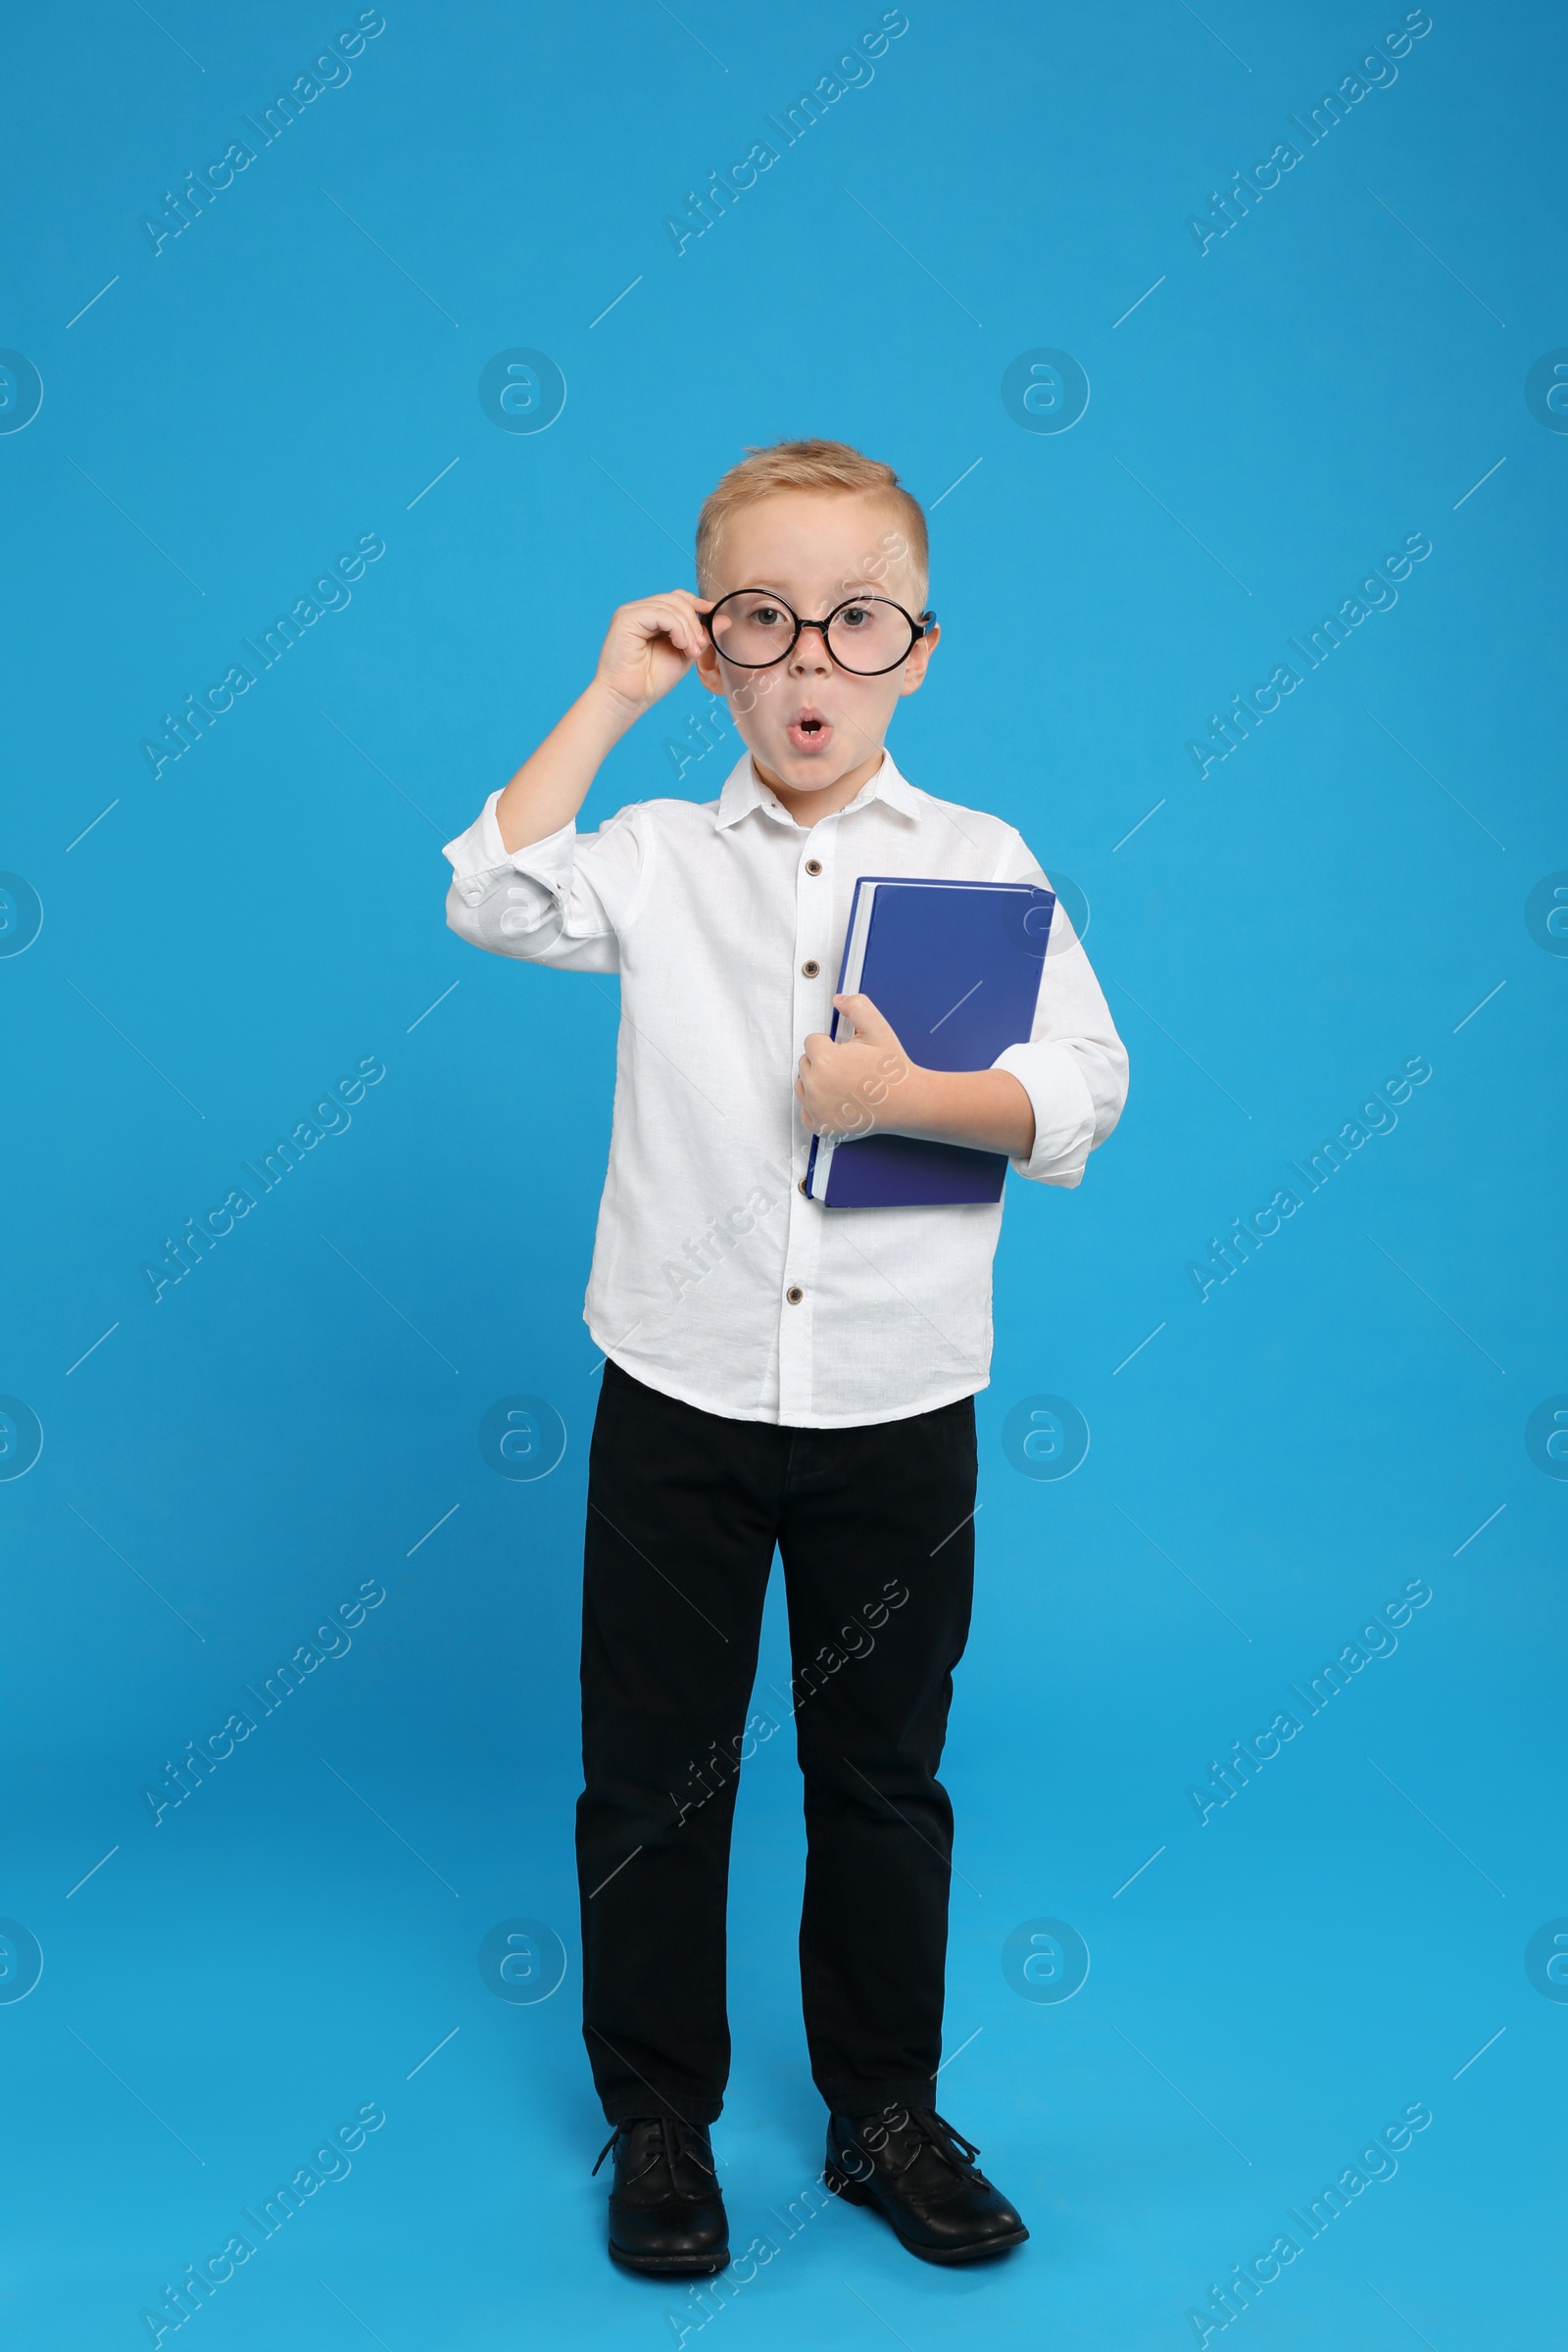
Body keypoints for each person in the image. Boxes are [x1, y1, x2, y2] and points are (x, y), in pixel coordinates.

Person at [442, 438, 1128, 2274]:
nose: (812, 661)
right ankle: (659, 2119)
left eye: (857, 623)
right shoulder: (659, 859)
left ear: (918, 651)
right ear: (715, 651)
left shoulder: (983, 867)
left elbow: (1083, 1089)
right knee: (654, 1770)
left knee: (882, 1776)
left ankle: (882, 2116)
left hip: (898, 1404)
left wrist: (912, 1097)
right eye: (765, 622)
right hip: (674, 1391)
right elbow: (494, 893)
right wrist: (605, 695)